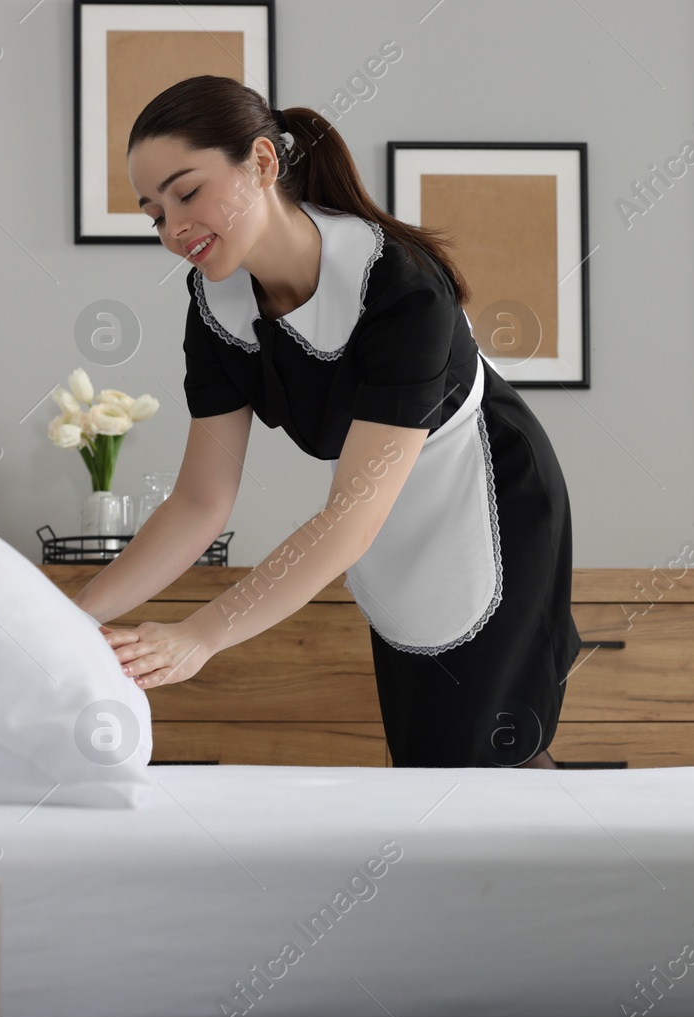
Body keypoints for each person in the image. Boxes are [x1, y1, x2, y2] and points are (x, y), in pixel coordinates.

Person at [72, 75, 579, 768]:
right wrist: (72, 618)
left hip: (485, 499)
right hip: (380, 517)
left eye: (187, 193)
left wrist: (201, 635)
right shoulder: (217, 305)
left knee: (487, 755)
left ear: (261, 163)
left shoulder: (400, 287)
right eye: (154, 214)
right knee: (429, 759)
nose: (174, 228)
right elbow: (199, 502)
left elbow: (349, 518)